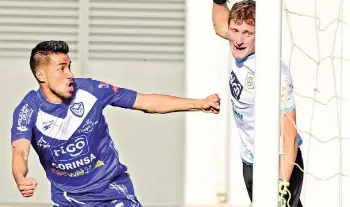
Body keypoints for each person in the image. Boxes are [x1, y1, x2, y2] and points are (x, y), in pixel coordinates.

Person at [11, 40, 221, 207]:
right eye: (62, 69)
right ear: (41, 75)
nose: (70, 74)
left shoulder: (91, 90)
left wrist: (199, 103)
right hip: (69, 198)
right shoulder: (27, 110)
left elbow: (146, 101)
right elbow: (20, 151)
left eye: (70, 67)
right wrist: (20, 177)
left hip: (111, 189)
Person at [206, 0, 304, 207]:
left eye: (247, 33)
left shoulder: (272, 72)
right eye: (235, 30)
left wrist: (282, 187)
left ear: (262, 35)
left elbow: (289, 138)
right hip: (249, 160)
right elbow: (221, 23)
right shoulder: (237, 42)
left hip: (280, 164)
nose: (238, 40)